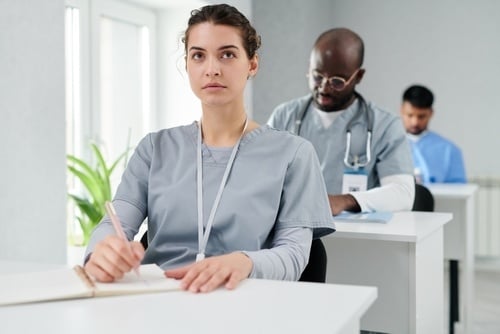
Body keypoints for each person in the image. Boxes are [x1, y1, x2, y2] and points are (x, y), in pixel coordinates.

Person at [84, 4, 335, 293]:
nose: (212, 69)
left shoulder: (294, 154)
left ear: (252, 64)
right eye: (198, 56)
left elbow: (294, 256)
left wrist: (244, 263)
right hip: (158, 300)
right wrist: (102, 251)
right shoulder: (154, 149)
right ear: (188, 64)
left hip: (244, 299)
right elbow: (114, 223)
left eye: (227, 54)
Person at [268, 27, 415, 215]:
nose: (324, 88)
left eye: (337, 81)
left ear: (358, 76)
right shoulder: (284, 116)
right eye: (317, 76)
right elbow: (261, 180)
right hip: (294, 232)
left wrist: (344, 201)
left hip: (360, 237)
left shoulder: (385, 125)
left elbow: (402, 194)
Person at [400, 84, 466, 184]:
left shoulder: (449, 151)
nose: (415, 122)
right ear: (401, 110)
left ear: (431, 113)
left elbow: (459, 193)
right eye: (410, 115)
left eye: (421, 116)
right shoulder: (387, 147)